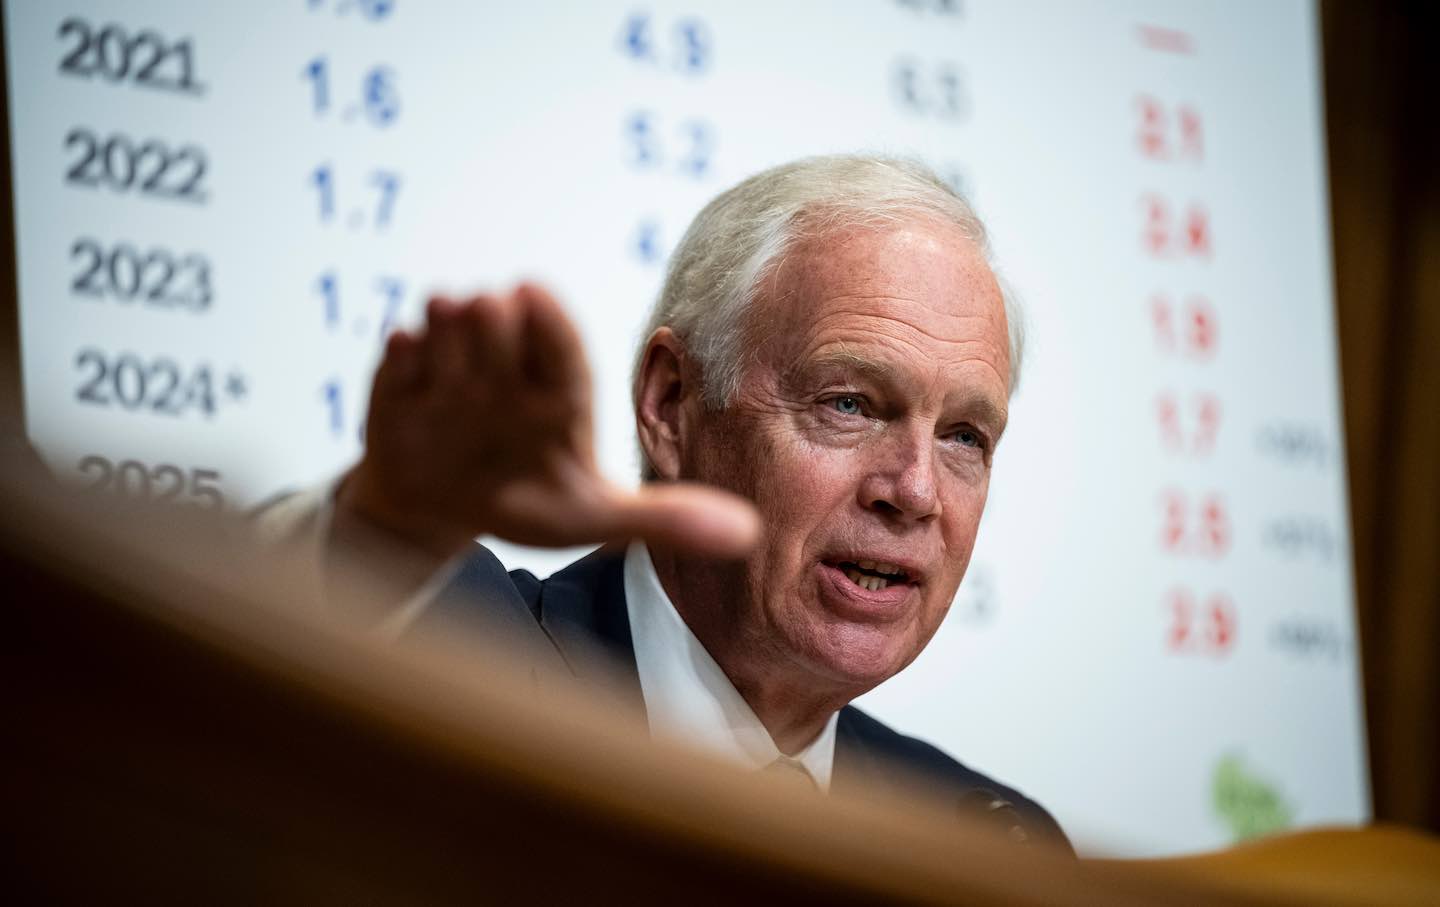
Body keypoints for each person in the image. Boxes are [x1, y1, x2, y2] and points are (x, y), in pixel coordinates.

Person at [263, 154, 1069, 849]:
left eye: (964, 435)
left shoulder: (978, 837)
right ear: (671, 401)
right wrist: (386, 522)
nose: (916, 491)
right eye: (850, 403)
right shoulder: (454, 646)